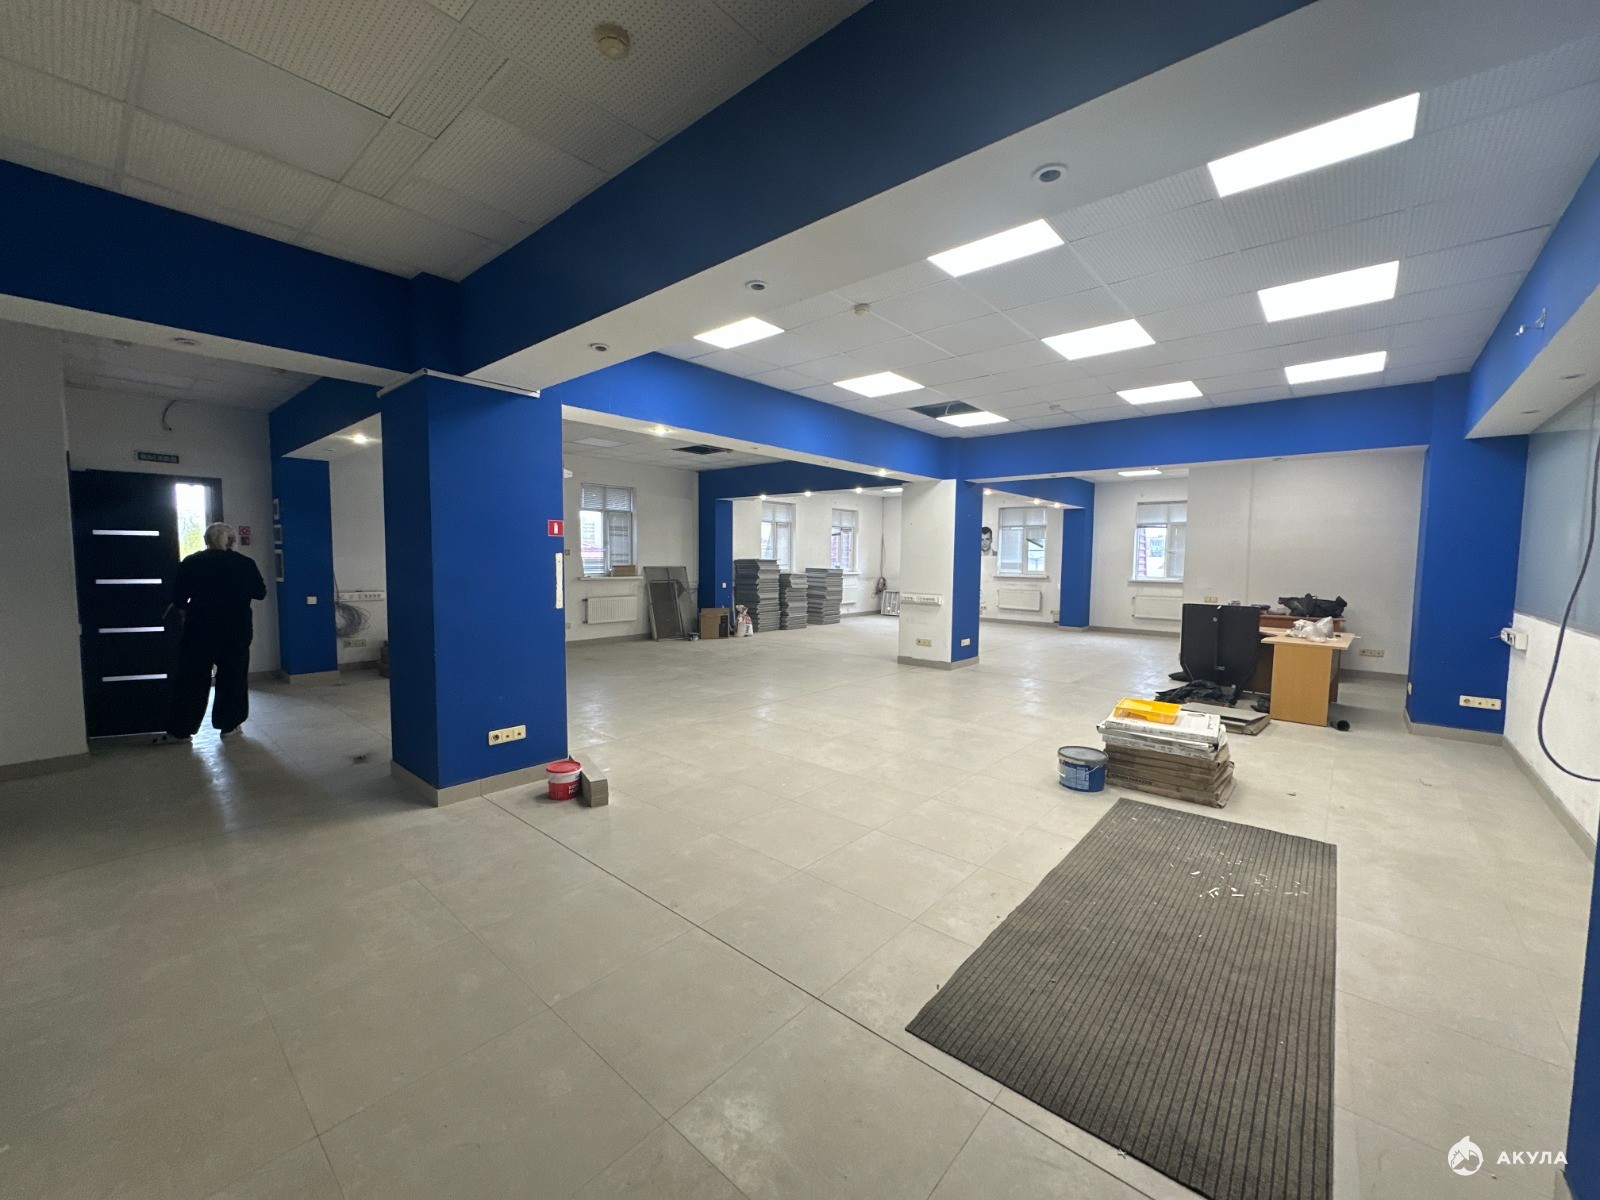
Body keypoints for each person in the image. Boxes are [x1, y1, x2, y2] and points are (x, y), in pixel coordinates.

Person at [153, 522, 267, 744]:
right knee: (233, 676)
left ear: (206, 541)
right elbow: (260, 593)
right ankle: (229, 725)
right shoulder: (244, 563)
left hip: (199, 629)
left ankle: (181, 731)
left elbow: (178, 598)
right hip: (236, 630)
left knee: (192, 678)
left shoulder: (192, 562)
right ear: (232, 541)